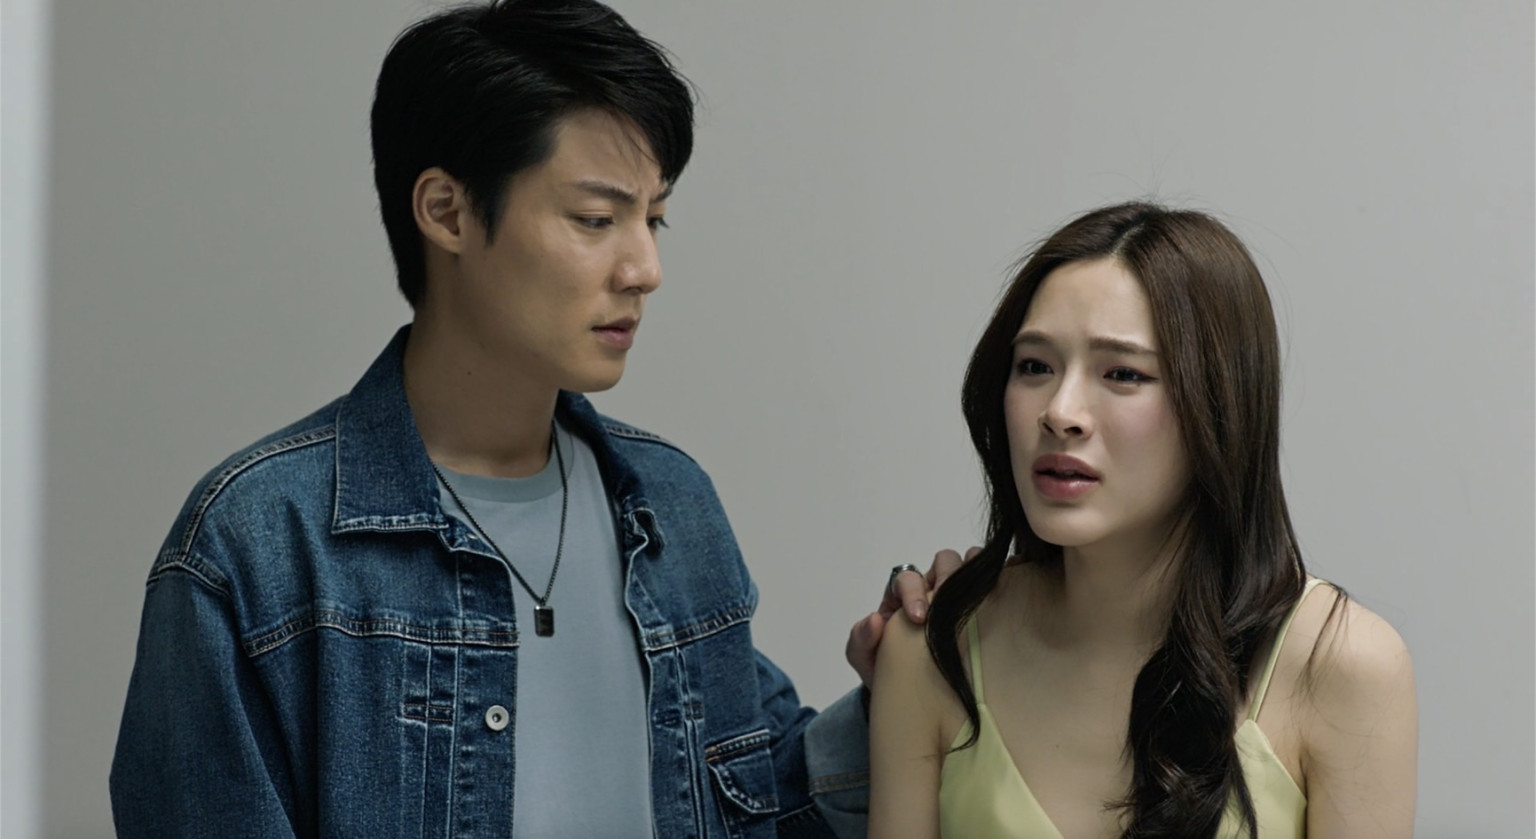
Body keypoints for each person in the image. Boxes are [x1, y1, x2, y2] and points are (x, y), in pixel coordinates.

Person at [108, 2, 942, 836]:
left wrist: (907, 688)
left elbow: (764, 800)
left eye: (653, 218)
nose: (645, 268)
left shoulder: (671, 506)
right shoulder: (258, 549)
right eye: (596, 219)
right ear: (447, 211)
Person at [869, 202, 1418, 839]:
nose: (1060, 412)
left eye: (1123, 373)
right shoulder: (932, 650)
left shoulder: (1344, 666)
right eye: (1035, 366)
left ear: (1219, 404)